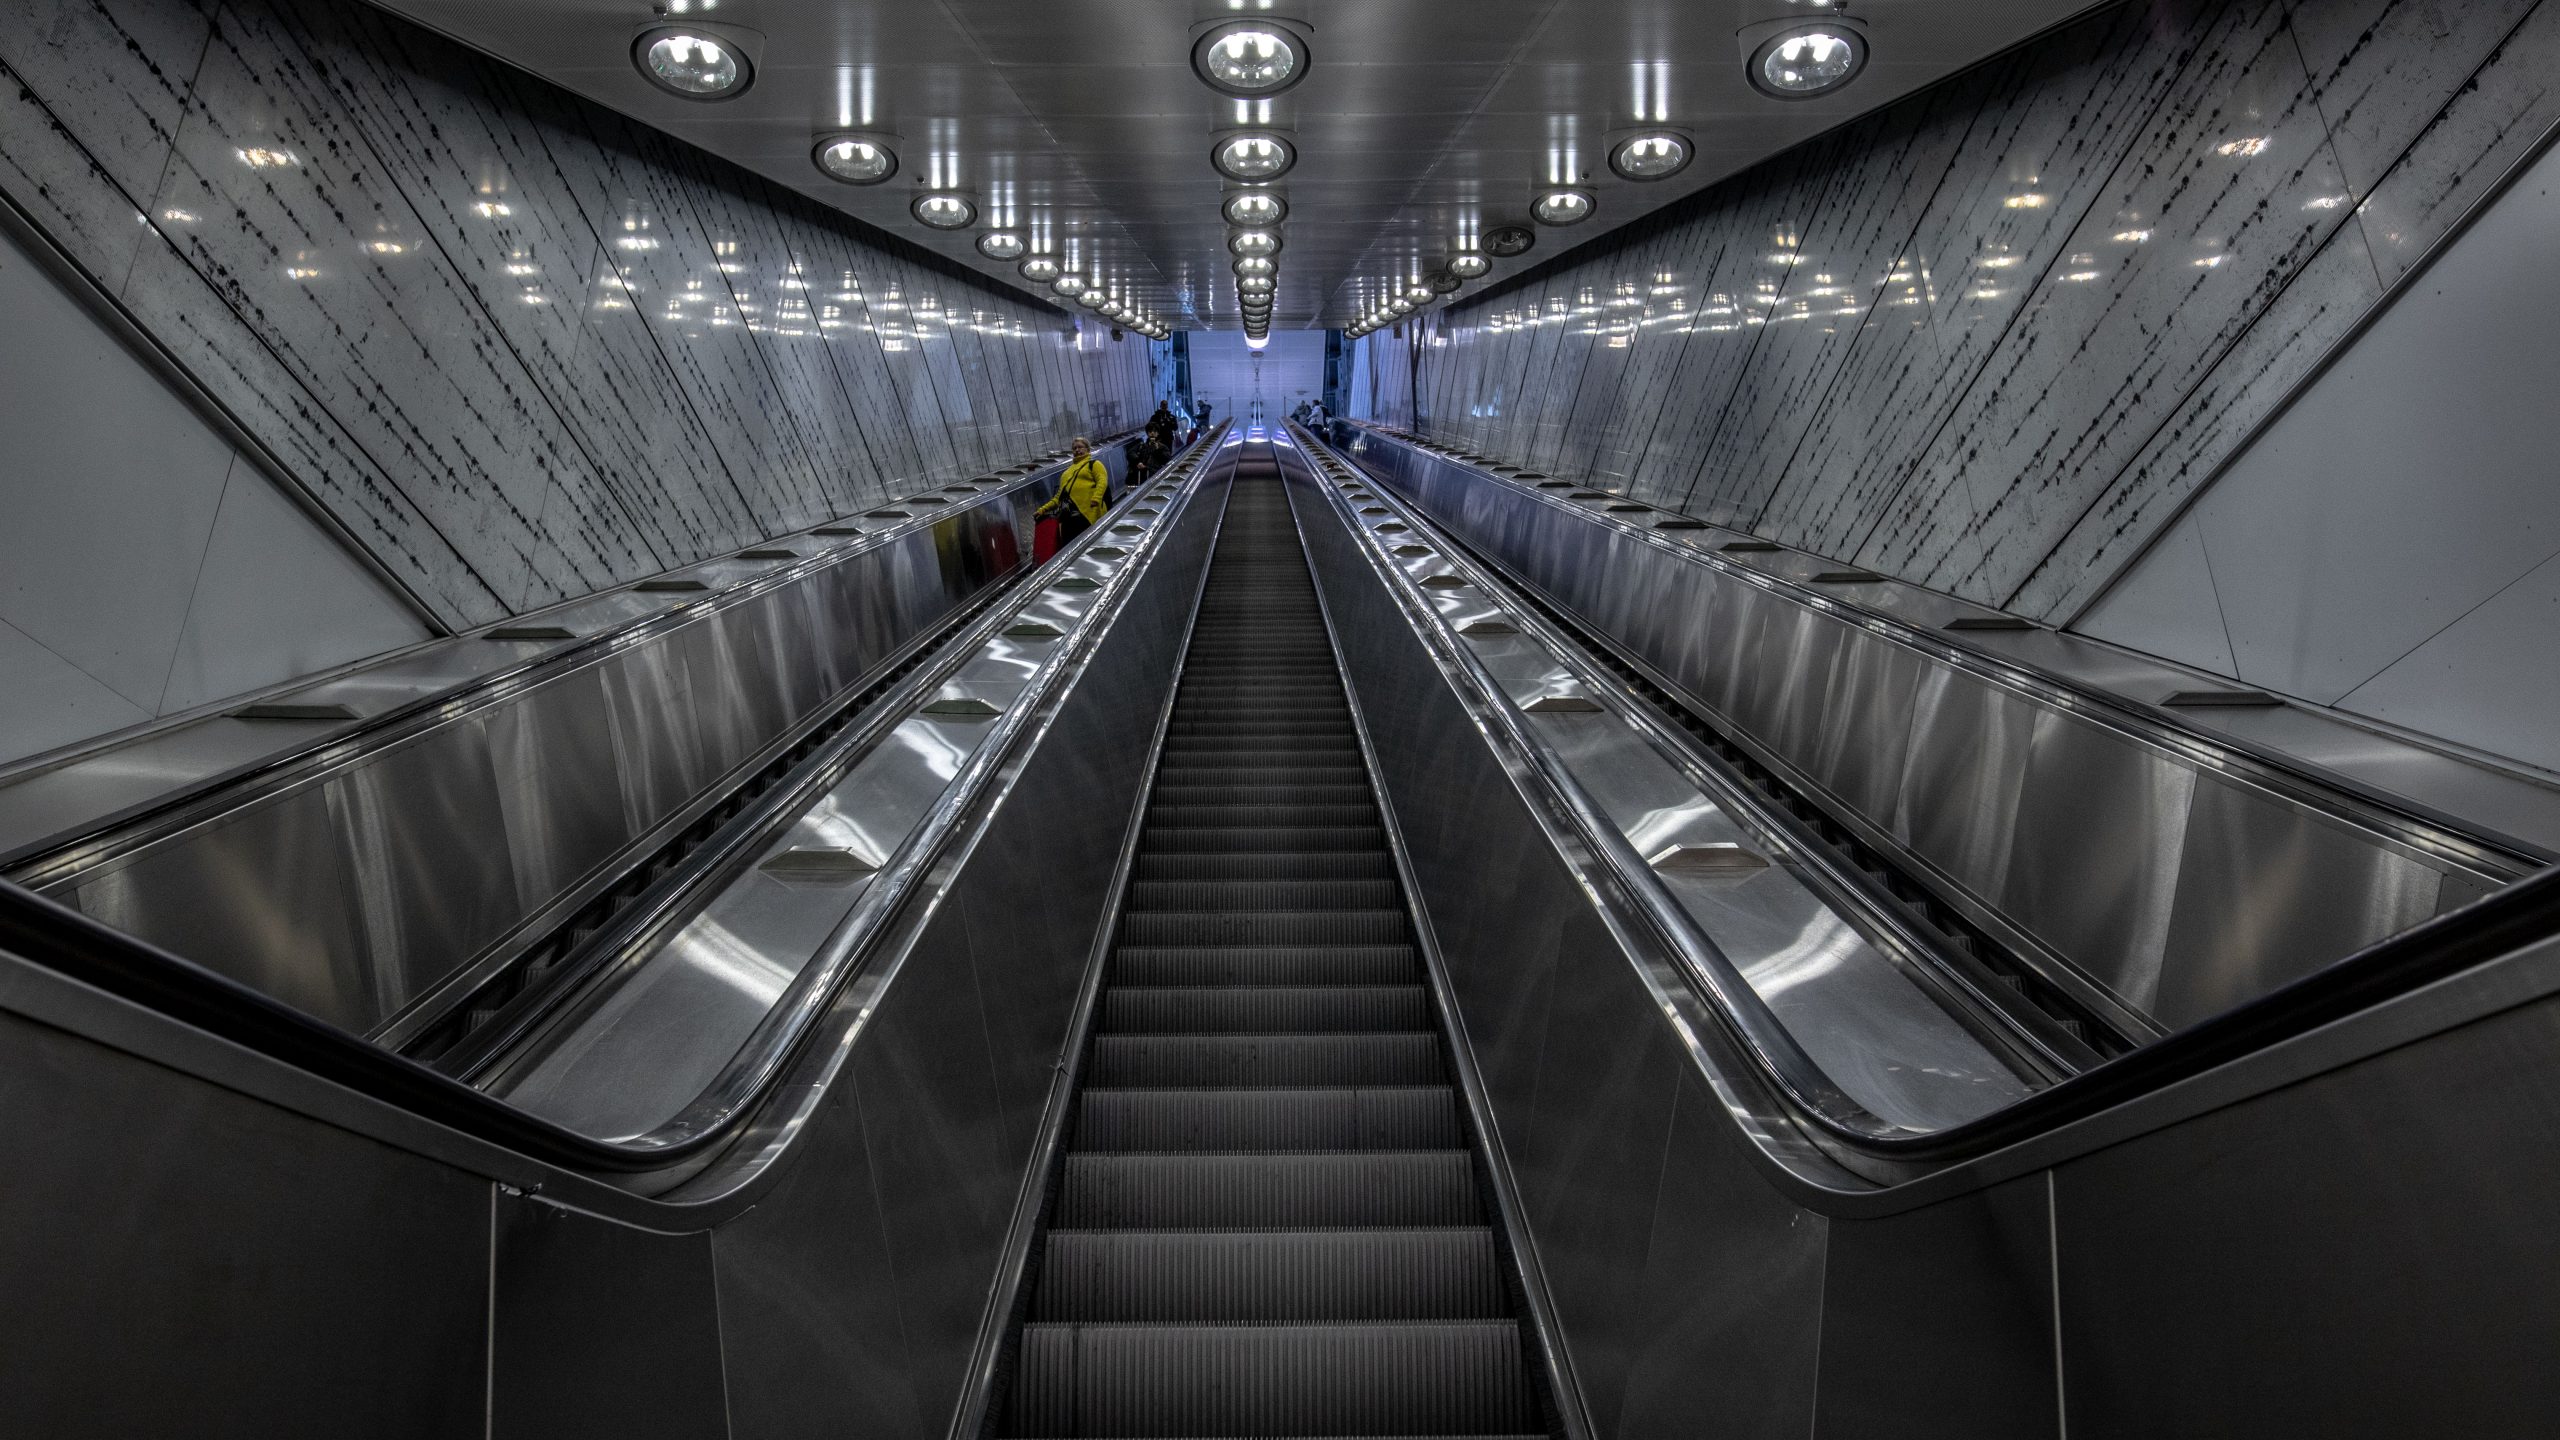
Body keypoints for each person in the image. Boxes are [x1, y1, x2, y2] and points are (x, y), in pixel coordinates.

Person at [1036, 435, 1111, 544]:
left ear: (1088, 449)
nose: (1077, 450)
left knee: (1090, 545)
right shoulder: (1066, 473)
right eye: (1074, 448)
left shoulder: (1094, 464)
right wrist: (1042, 509)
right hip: (1068, 520)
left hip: (1087, 515)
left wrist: (1096, 497)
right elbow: (1058, 497)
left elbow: (1102, 481)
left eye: (1080, 447)